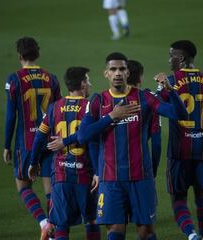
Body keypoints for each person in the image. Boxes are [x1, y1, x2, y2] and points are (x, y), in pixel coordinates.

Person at [76, 52, 187, 240]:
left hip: (141, 178)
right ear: (106, 73)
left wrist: (171, 91)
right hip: (111, 179)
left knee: (146, 233)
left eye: (121, 69)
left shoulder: (144, 98)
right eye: (113, 69)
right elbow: (82, 136)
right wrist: (111, 116)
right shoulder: (98, 101)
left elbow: (180, 115)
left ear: (128, 72)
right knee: (115, 232)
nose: (117, 73)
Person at [157, 40, 203, 240]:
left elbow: (154, 107)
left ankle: (191, 234)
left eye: (171, 55)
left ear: (180, 58)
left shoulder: (169, 82)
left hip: (179, 148)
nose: (169, 59)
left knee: (178, 198)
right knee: (202, 195)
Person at [28, 67, 102, 240]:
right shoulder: (90, 108)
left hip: (61, 175)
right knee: (91, 221)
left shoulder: (54, 108)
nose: (90, 84)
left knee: (61, 224)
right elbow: (92, 141)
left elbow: (39, 137)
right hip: (85, 175)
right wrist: (98, 172)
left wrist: (33, 162)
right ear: (82, 83)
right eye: (88, 80)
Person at [3, 36, 61, 239]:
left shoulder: (14, 79)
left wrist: (6, 145)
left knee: (23, 185)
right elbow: (59, 112)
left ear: (20, 55)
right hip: (50, 140)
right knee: (50, 189)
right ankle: (55, 233)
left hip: (26, 143)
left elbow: (11, 116)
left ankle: (44, 224)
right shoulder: (52, 78)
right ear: (38, 54)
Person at [127, 59, 162, 177]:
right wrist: (154, 169)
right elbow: (156, 143)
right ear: (140, 79)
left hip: (112, 168)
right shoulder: (149, 101)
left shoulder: (105, 101)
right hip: (140, 166)